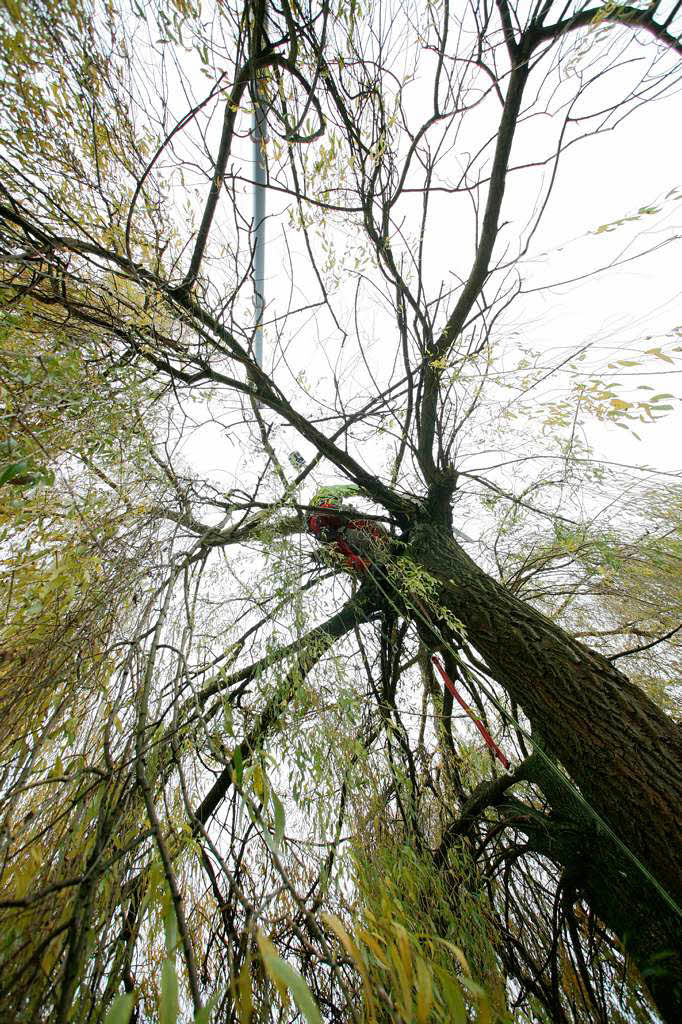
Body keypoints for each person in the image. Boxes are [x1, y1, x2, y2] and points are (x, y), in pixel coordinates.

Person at [305, 485, 389, 572]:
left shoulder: (308, 513)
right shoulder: (326, 490)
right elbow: (351, 489)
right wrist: (368, 491)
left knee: (342, 553)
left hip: (316, 525)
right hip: (328, 508)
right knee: (365, 522)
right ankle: (386, 541)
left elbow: (309, 526)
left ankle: (369, 567)